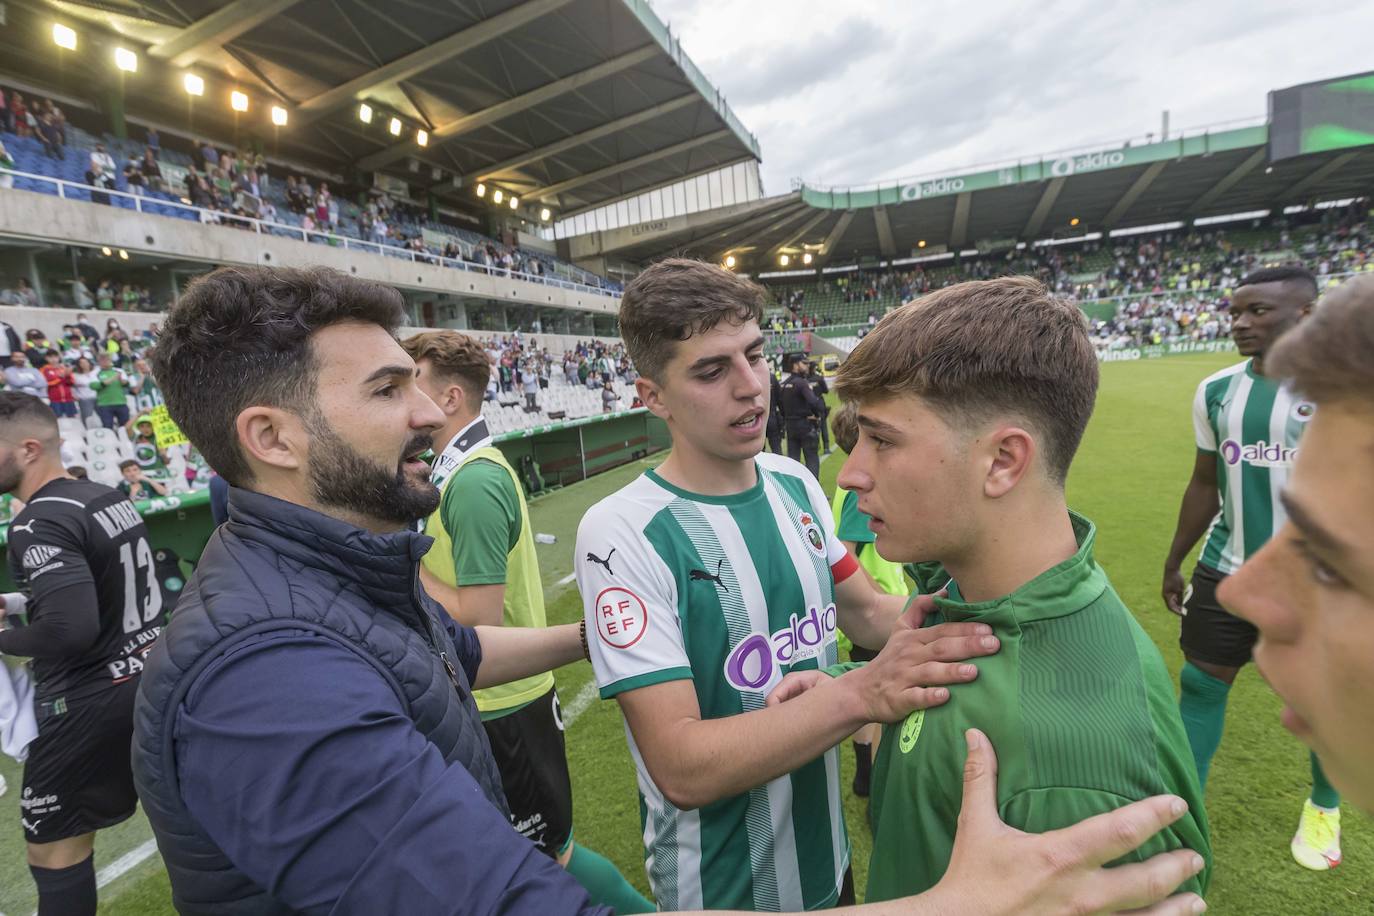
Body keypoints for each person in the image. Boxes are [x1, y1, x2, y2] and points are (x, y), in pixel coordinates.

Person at [574, 259, 1006, 910]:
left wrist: (986, 610)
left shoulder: (793, 483)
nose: (752, 387)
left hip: (828, 861)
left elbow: (862, 612)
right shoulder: (622, 533)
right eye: (712, 370)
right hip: (722, 890)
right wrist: (860, 692)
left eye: (754, 355)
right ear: (652, 395)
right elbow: (682, 765)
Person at [825, 277, 1210, 903]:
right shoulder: (963, 602)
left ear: (1003, 461)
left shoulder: (1071, 760)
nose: (852, 471)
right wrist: (852, 689)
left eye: (884, 440)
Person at [402, 330, 654, 914]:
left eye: (411, 384)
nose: (403, 402)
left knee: (545, 856)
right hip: (484, 698)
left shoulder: (474, 481)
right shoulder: (453, 471)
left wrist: (400, 561)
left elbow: (478, 617)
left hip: (505, 701)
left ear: (451, 398)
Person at [1158, 267, 1342, 870]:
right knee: (1202, 687)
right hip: (1227, 572)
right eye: (1236, 311)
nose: (1240, 323)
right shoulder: (1217, 391)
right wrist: (1175, 559)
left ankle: (1324, 806)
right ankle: (1183, 818)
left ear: (1306, 315)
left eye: (1259, 311)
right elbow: (1205, 482)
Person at [0, 392, 164, 916]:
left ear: (28, 449)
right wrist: (18, 601)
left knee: (54, 850)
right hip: (146, 676)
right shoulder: (102, 494)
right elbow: (101, 587)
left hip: (84, 702)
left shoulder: (35, 522)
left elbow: (68, 631)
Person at [1218, 274, 1374, 816]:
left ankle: (1323, 810)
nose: (1239, 594)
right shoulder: (1219, 391)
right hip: (1221, 551)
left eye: (1335, 567)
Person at [827, 402, 909, 799]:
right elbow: (846, 555)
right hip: (877, 608)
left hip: (876, 604)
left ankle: (867, 775)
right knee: (879, 694)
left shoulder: (844, 490)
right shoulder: (863, 493)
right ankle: (870, 776)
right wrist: (874, 600)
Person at [779, 351, 824, 478]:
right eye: (804, 363)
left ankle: (795, 495)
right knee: (812, 459)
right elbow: (813, 402)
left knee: (793, 462)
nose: (807, 366)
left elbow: (781, 406)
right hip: (805, 425)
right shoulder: (801, 383)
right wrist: (817, 414)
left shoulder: (784, 383)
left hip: (790, 426)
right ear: (795, 365)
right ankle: (814, 494)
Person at [90, 353, 130, 429]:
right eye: (103, 359)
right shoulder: (95, 373)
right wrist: (114, 377)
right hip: (104, 404)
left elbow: (126, 384)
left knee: (126, 426)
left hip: (121, 402)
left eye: (107, 359)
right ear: (99, 362)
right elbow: (94, 386)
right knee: (108, 426)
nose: (106, 361)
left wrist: (122, 380)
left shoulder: (119, 370)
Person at [41, 350, 78, 418]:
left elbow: (71, 382)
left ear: (58, 357)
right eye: (50, 357)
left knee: (72, 419)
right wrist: (60, 378)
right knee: (57, 419)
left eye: (55, 357)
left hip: (68, 399)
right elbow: (46, 383)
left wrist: (67, 376)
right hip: (54, 400)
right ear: (46, 358)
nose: (53, 359)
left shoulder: (64, 368)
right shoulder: (44, 369)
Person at [808, 360, 832, 455]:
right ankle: (826, 447)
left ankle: (814, 447)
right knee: (823, 426)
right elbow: (826, 391)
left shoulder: (805, 379)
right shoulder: (819, 378)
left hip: (809, 406)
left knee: (812, 427)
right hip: (819, 404)